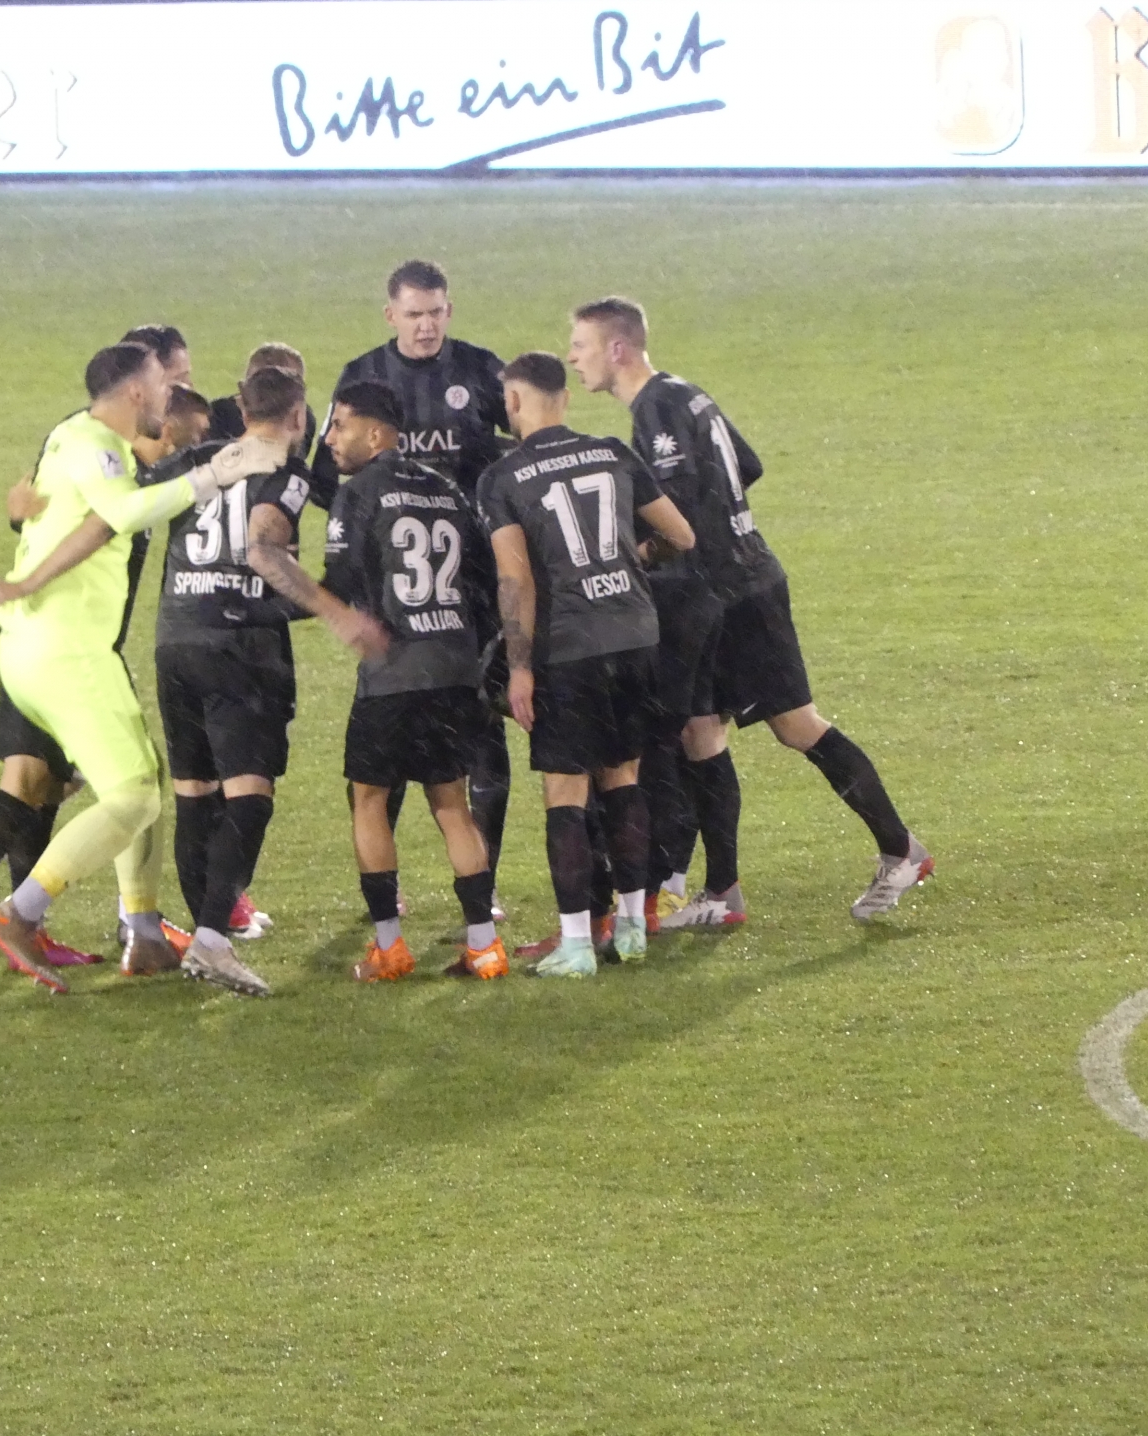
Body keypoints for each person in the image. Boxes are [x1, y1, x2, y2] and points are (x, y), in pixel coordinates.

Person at [567, 296, 933, 923]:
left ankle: (901, 850)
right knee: (700, 731)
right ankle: (723, 894)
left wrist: (634, 555)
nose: (574, 358)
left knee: (796, 727)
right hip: (726, 586)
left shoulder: (655, 408)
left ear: (617, 349)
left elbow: (678, 509)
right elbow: (748, 464)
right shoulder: (685, 393)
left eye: (581, 345)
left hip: (735, 592)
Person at [0, 342, 285, 997]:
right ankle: (20, 914)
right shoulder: (102, 449)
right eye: (164, 388)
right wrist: (215, 473)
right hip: (68, 652)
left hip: (35, 646)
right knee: (134, 795)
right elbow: (122, 514)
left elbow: (93, 526)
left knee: (143, 774)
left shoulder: (71, 437)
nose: (172, 399)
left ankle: (143, 932)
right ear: (139, 392)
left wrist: (27, 580)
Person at [0, 371, 210, 984]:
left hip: (47, 649)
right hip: (64, 654)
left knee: (85, 783)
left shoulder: (90, 449)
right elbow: (96, 523)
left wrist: (20, 527)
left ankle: (130, 930)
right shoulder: (112, 468)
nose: (178, 449)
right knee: (75, 789)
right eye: (176, 434)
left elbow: (52, 512)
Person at [251, 380, 508, 982]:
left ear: (374, 433)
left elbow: (339, 585)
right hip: (453, 671)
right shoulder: (447, 490)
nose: (330, 440)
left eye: (339, 426)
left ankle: (390, 947)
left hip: (393, 673)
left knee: (368, 800)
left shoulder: (359, 492)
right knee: (452, 804)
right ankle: (484, 945)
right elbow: (482, 581)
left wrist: (270, 605)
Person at [475, 352, 695, 977]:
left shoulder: (504, 477)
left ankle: (576, 944)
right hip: (635, 634)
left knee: (565, 792)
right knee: (623, 780)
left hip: (569, 646)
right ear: (564, 398)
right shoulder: (612, 453)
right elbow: (682, 536)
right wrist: (631, 558)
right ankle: (631, 929)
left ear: (513, 402)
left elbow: (516, 579)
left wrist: (520, 667)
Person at [312, 259, 515, 901]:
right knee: (386, 737)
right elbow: (328, 470)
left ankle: (484, 882)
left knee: (481, 738)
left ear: (449, 311)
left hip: (471, 582)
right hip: (394, 589)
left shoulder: (480, 370)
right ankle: (388, 885)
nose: (426, 326)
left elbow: (524, 442)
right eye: (413, 314)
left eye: (435, 313)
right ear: (391, 315)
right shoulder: (362, 375)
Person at [144, 365, 315, 988]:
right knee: (250, 797)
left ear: (242, 413)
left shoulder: (203, 461)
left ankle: (204, 936)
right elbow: (266, 554)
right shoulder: (289, 473)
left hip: (174, 640)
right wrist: (335, 606)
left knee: (194, 794)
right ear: (297, 416)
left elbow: (142, 490)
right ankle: (213, 940)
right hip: (236, 645)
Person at [208, 342, 318, 459]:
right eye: (260, 387)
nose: (269, 397)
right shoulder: (214, 416)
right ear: (243, 389)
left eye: (283, 389)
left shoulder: (305, 418)